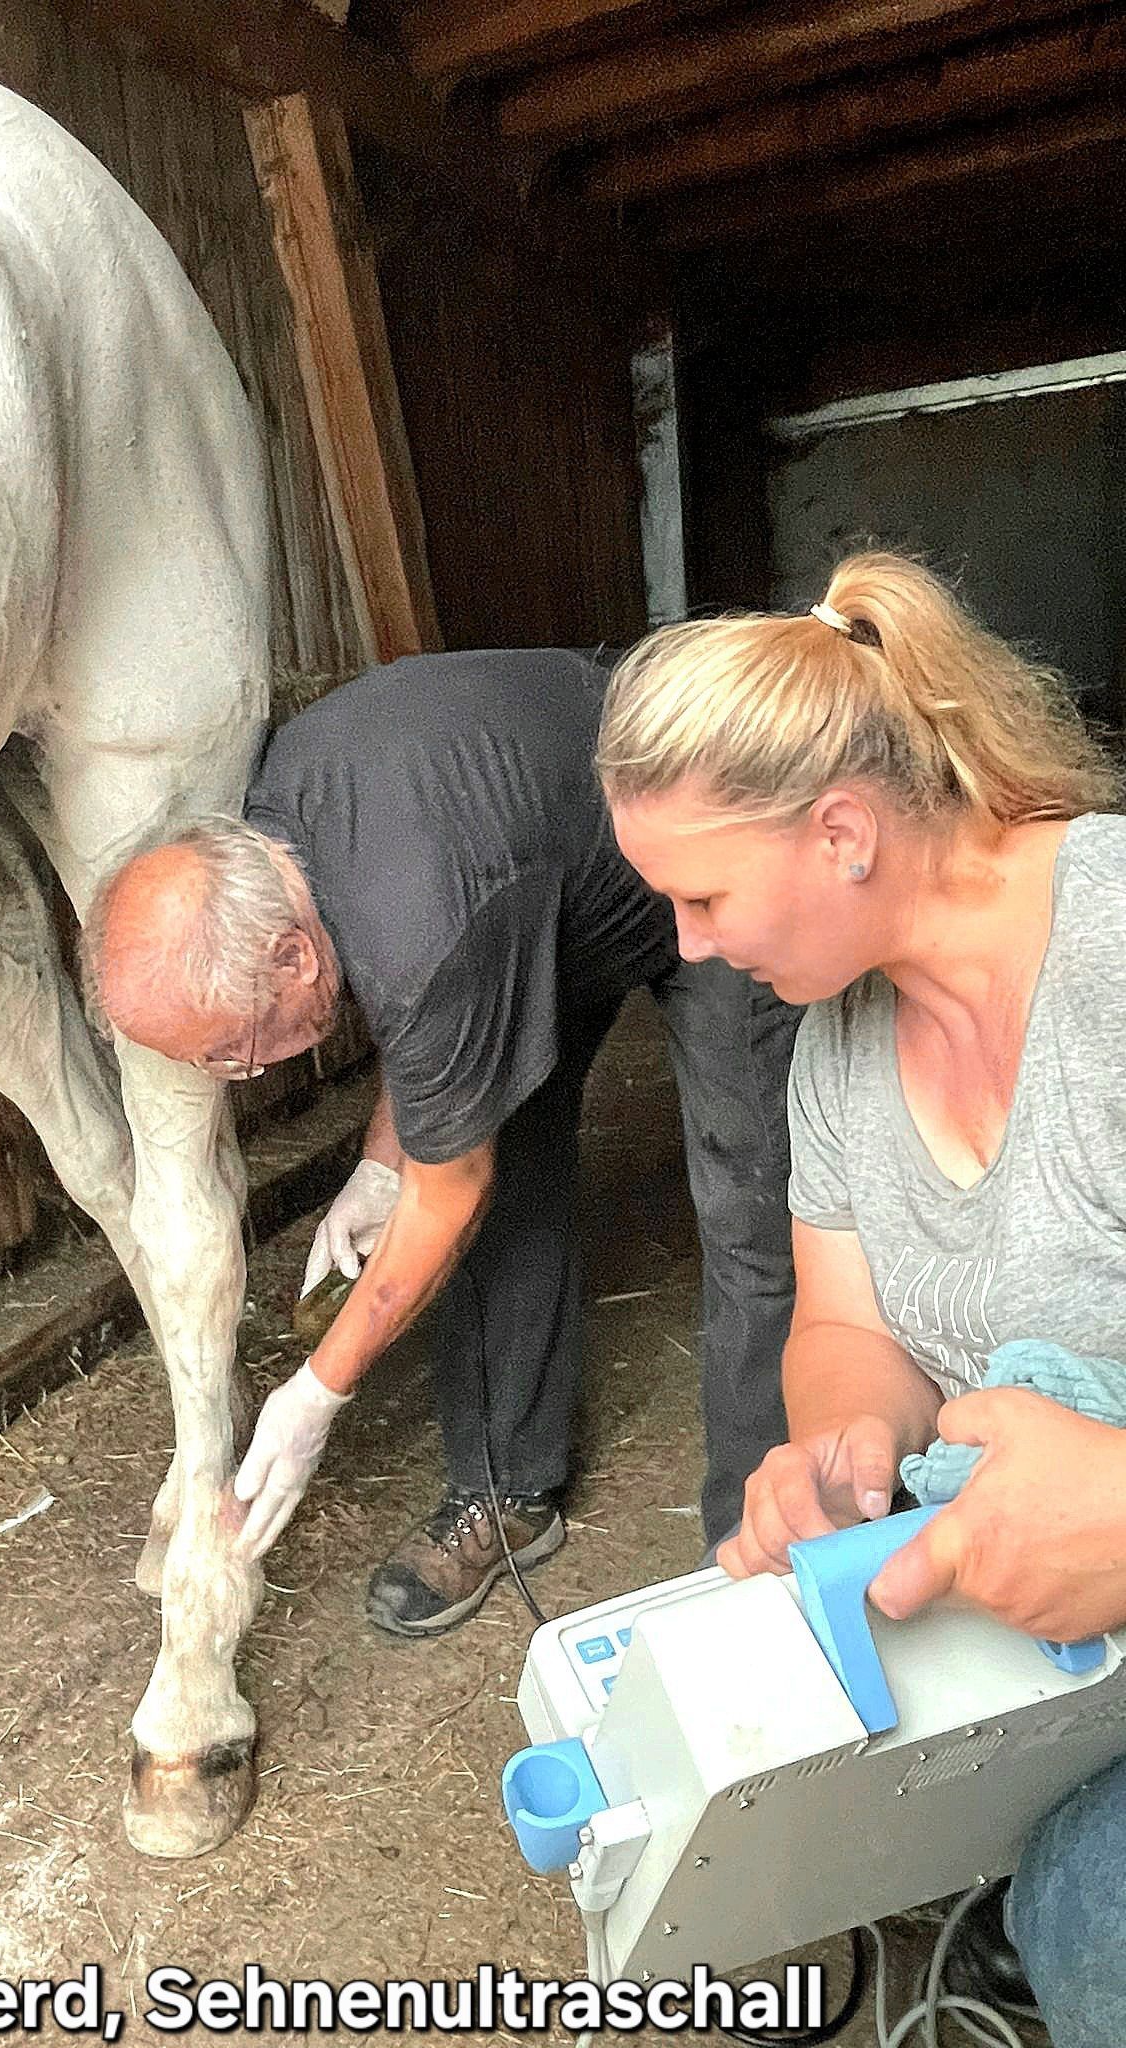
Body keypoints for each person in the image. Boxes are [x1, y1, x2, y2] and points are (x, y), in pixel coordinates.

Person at [595, 550, 1126, 2048]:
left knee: (1095, 1920)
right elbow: (847, 1329)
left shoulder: (1115, 945)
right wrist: (837, 1454)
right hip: (1043, 1593)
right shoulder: (837, 1048)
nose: (692, 949)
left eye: (700, 898)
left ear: (841, 833)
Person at [90, 647, 800, 1636]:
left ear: (293, 954)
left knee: (750, 1201)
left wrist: (314, 1393)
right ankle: (506, 1490)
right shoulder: (280, 834)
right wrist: (380, 1166)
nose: (243, 1072)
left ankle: (765, 1541)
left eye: (236, 1051)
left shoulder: (424, 923)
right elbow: (422, 1023)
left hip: (694, 853)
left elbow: (445, 1171)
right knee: (503, 1169)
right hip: (530, 890)